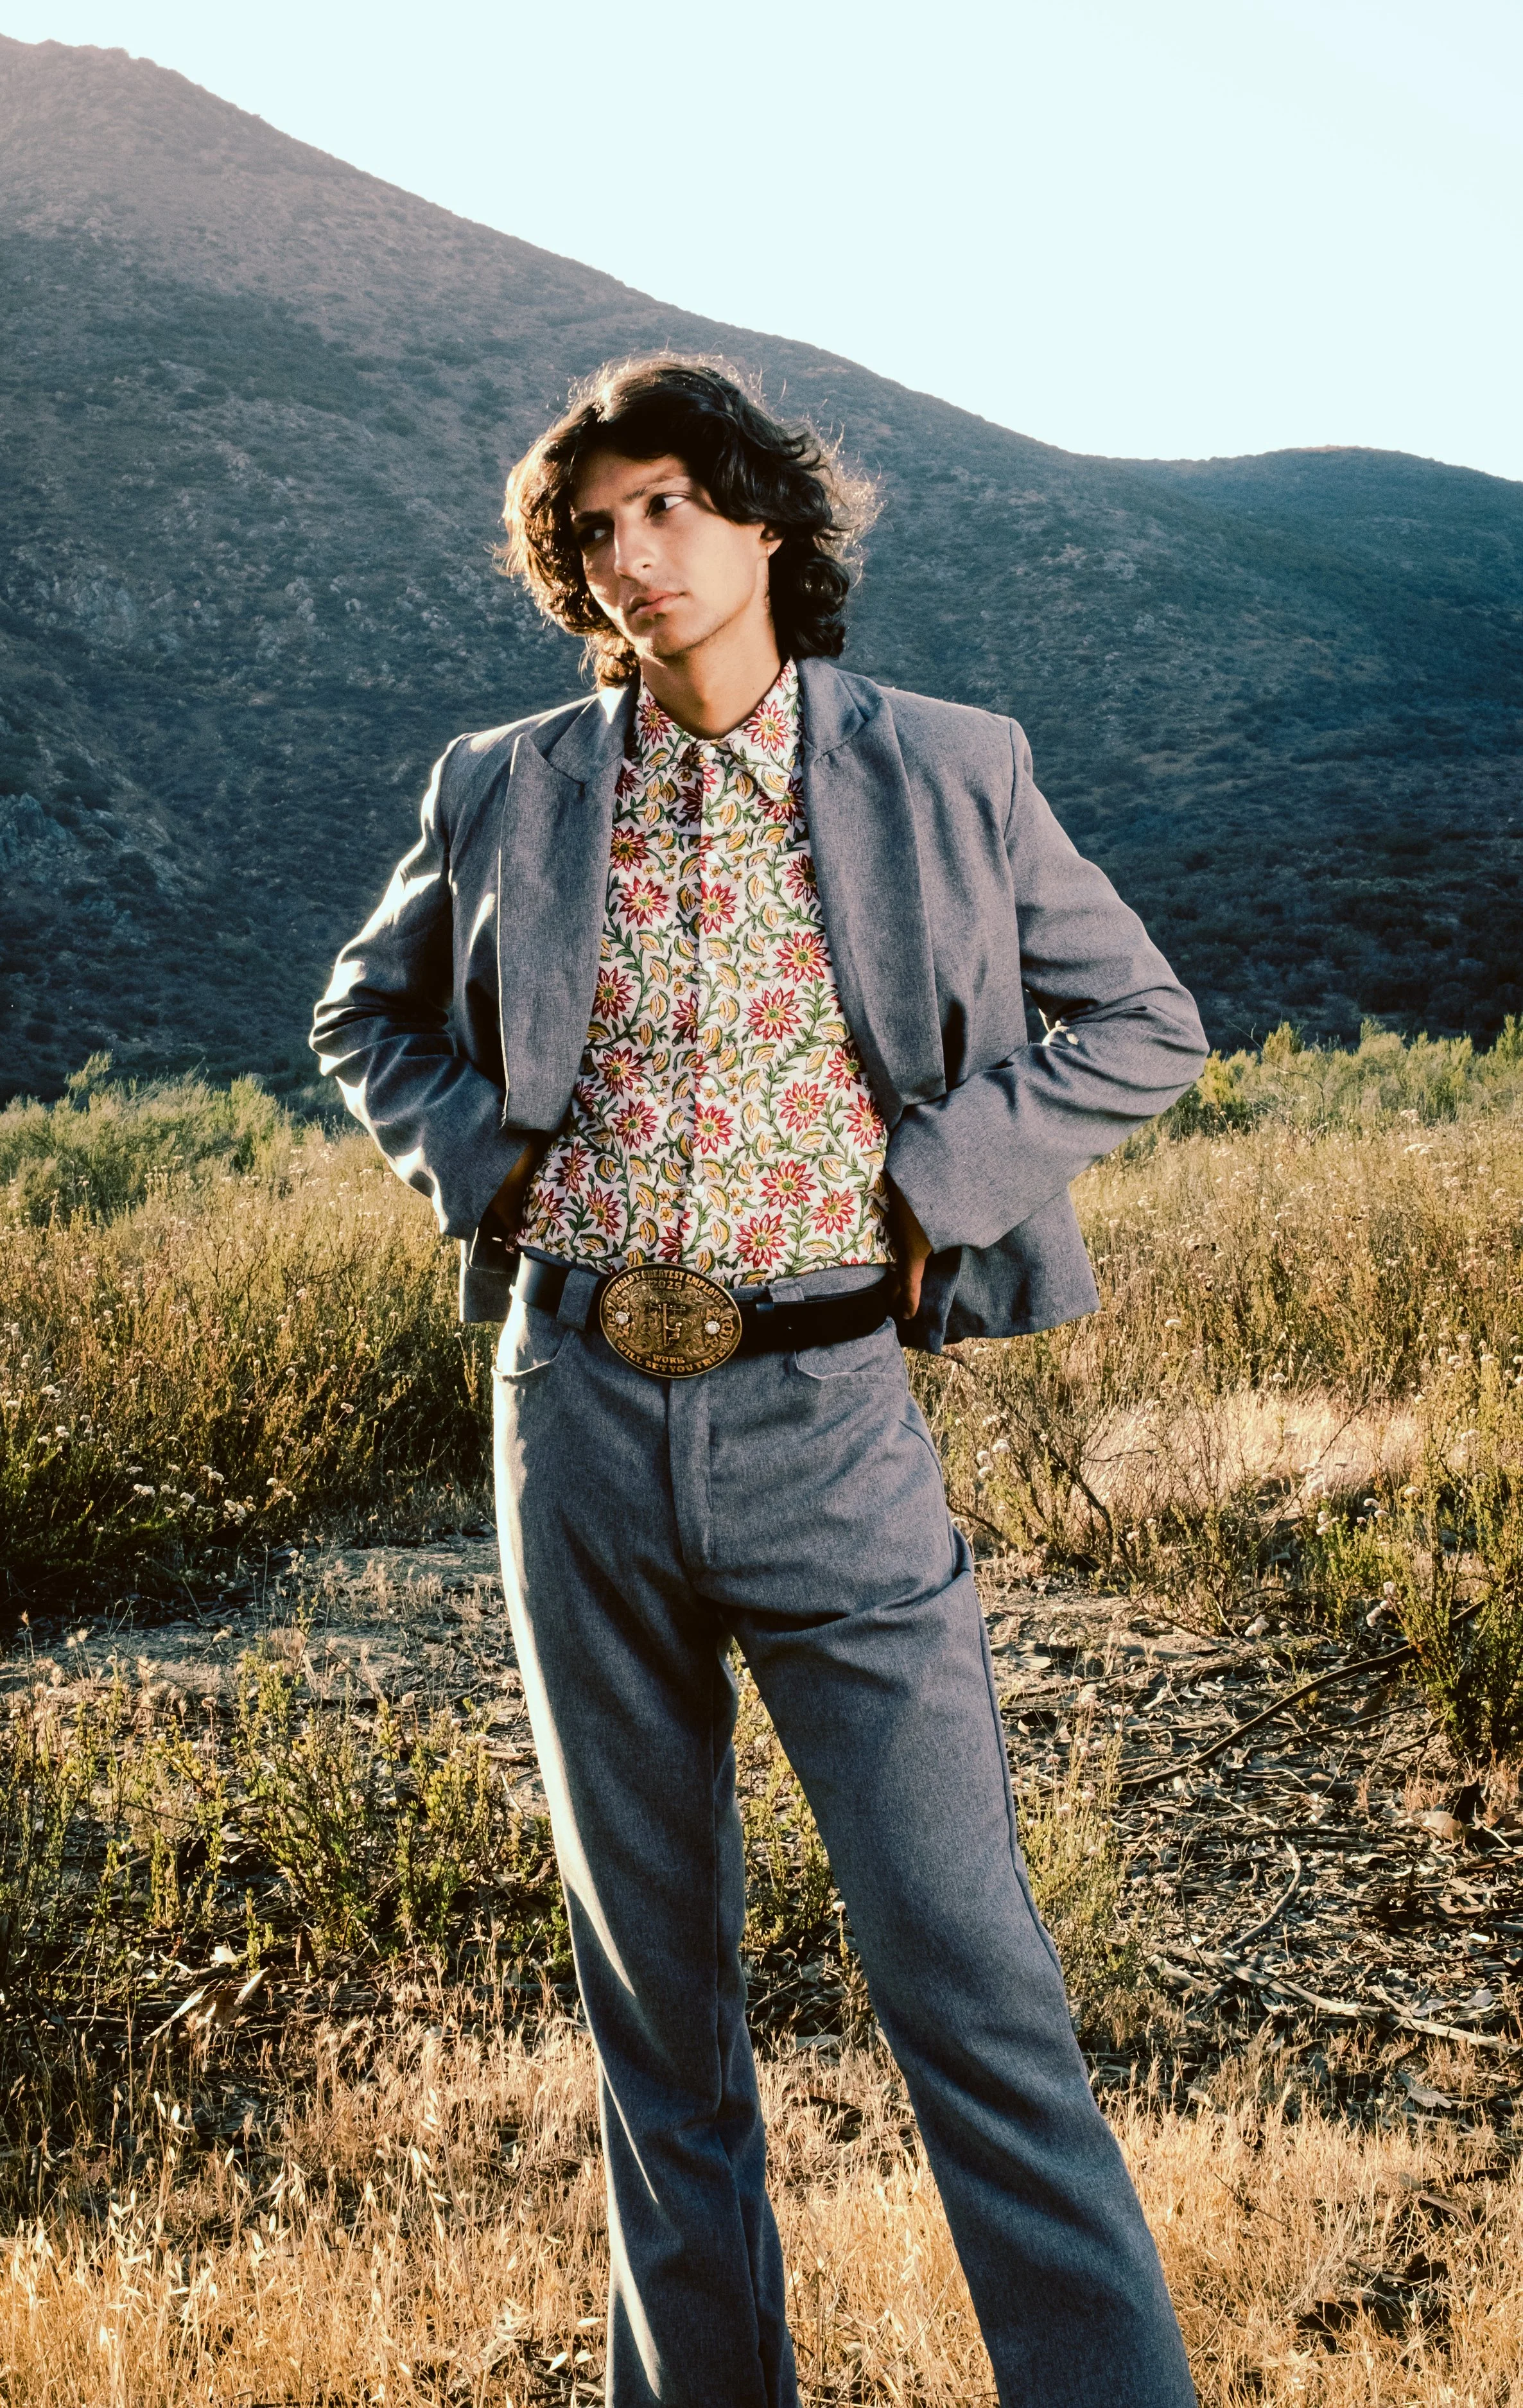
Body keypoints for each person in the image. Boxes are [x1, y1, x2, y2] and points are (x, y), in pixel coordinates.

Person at [311, 356, 1206, 2408]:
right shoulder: (508, 779)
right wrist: (500, 1163)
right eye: (592, 530)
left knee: (968, 1975)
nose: (628, 556)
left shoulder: (950, 765)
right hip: (579, 1416)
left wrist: (927, 1175)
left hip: (831, 1415)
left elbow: (1140, 1017)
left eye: (662, 511)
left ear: (766, 525)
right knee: (655, 1998)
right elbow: (362, 1013)